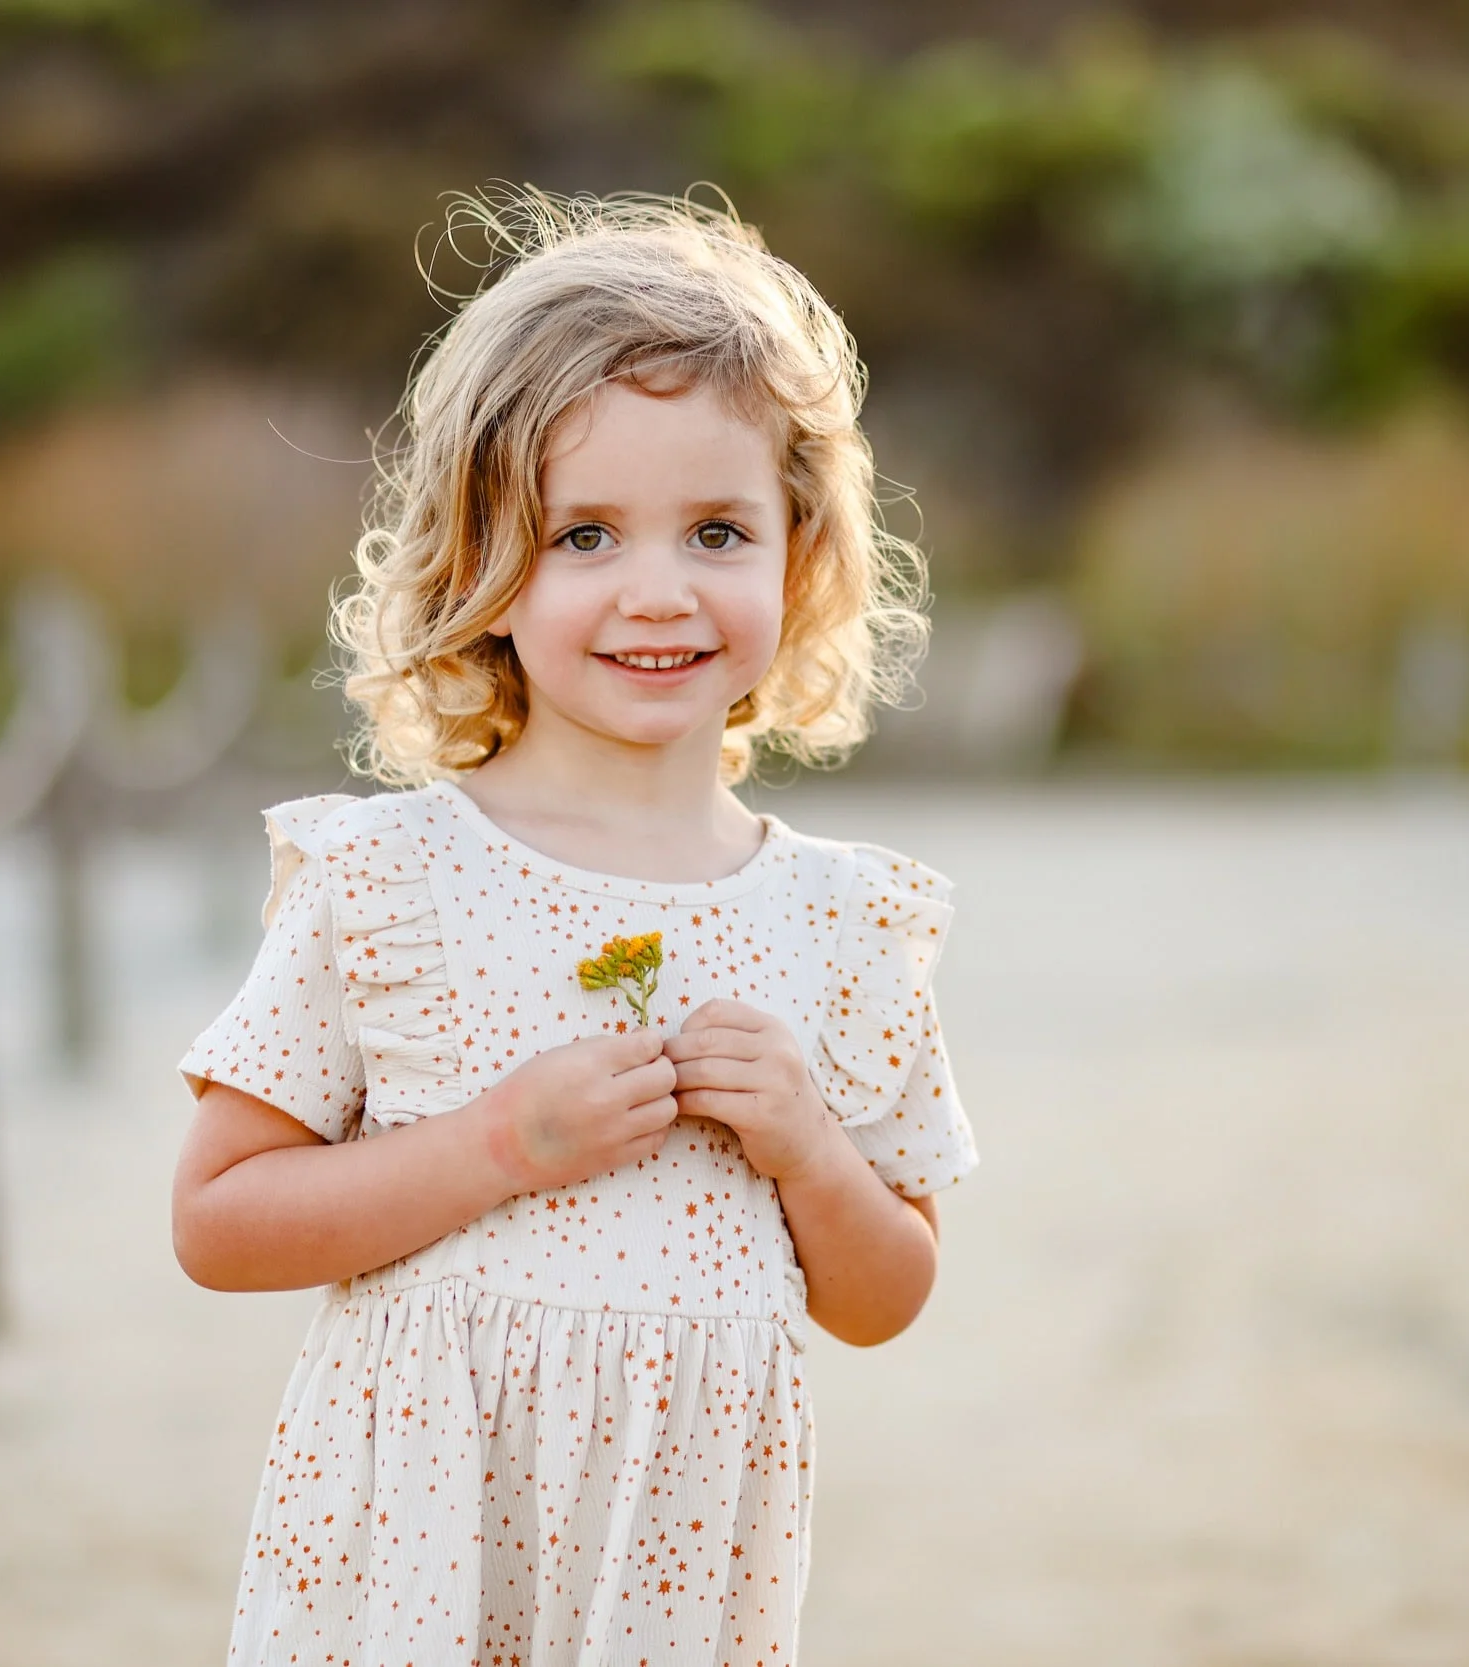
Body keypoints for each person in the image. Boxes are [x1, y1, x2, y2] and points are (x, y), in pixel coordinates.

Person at [171, 189, 977, 1666]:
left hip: (675, 1586)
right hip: (412, 1560)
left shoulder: (844, 922)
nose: (657, 591)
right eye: (586, 533)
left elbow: (887, 1293)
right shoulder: (388, 879)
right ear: (484, 560)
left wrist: (805, 1144)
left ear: (799, 557)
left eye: (718, 530)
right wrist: (499, 1146)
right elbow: (218, 1222)